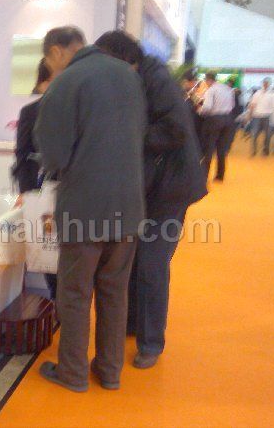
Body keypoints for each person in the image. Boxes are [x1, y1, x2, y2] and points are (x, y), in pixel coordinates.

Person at [34, 26, 146, 391]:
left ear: (57, 52)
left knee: (75, 294)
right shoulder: (128, 77)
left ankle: (73, 372)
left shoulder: (65, 83)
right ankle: (110, 371)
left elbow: (53, 156)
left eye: (48, 59)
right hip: (128, 206)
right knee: (115, 292)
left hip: (84, 208)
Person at [95, 31, 208, 369]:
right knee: (132, 259)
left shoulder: (155, 79)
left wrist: (127, 135)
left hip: (170, 189)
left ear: (121, 58)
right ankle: (133, 325)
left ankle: (151, 342)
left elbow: (175, 130)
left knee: (151, 264)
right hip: (151, 187)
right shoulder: (140, 77)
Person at [13, 58, 58, 299]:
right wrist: (27, 193)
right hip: (40, 193)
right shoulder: (30, 112)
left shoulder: (79, 112)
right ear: (41, 83)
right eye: (50, 80)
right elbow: (22, 156)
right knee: (47, 252)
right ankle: (55, 301)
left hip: (73, 193)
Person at [199, 72, 235, 181]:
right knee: (222, 148)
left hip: (214, 119)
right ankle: (220, 175)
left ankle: (204, 176)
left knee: (209, 148)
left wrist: (200, 111)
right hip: (228, 119)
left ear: (208, 79)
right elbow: (232, 105)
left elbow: (207, 107)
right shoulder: (227, 89)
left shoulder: (211, 90)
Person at [249, 78, 274, 156]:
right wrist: (249, 115)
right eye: (264, 83)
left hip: (268, 116)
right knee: (254, 134)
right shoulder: (257, 93)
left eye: (267, 83)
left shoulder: (273, 94)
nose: (265, 84)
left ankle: (265, 150)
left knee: (267, 135)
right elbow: (252, 104)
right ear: (262, 83)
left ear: (269, 84)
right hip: (256, 116)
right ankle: (254, 151)